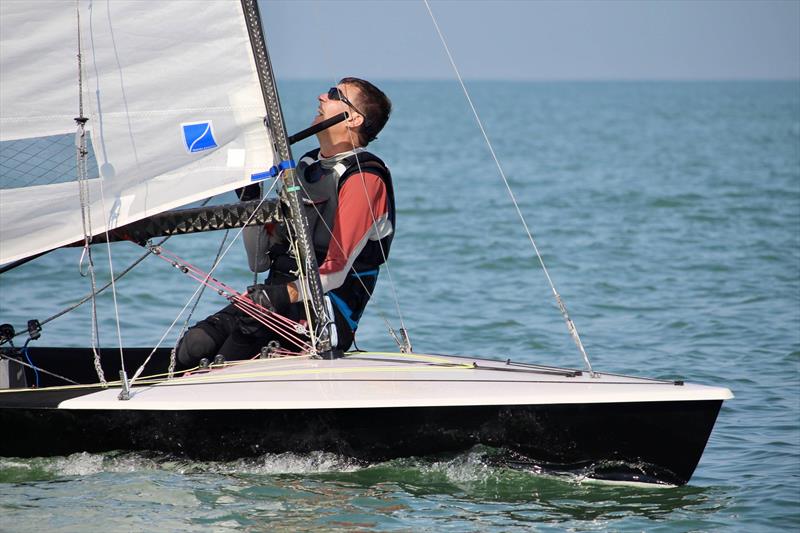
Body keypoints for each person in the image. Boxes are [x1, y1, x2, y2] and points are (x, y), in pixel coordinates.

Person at [176, 78, 394, 366]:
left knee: (233, 350)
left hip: (326, 312)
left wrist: (278, 296)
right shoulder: (305, 166)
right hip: (272, 299)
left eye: (334, 95)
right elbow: (259, 263)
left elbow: (337, 272)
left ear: (353, 118)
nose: (321, 96)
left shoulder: (363, 178)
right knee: (193, 345)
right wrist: (250, 201)